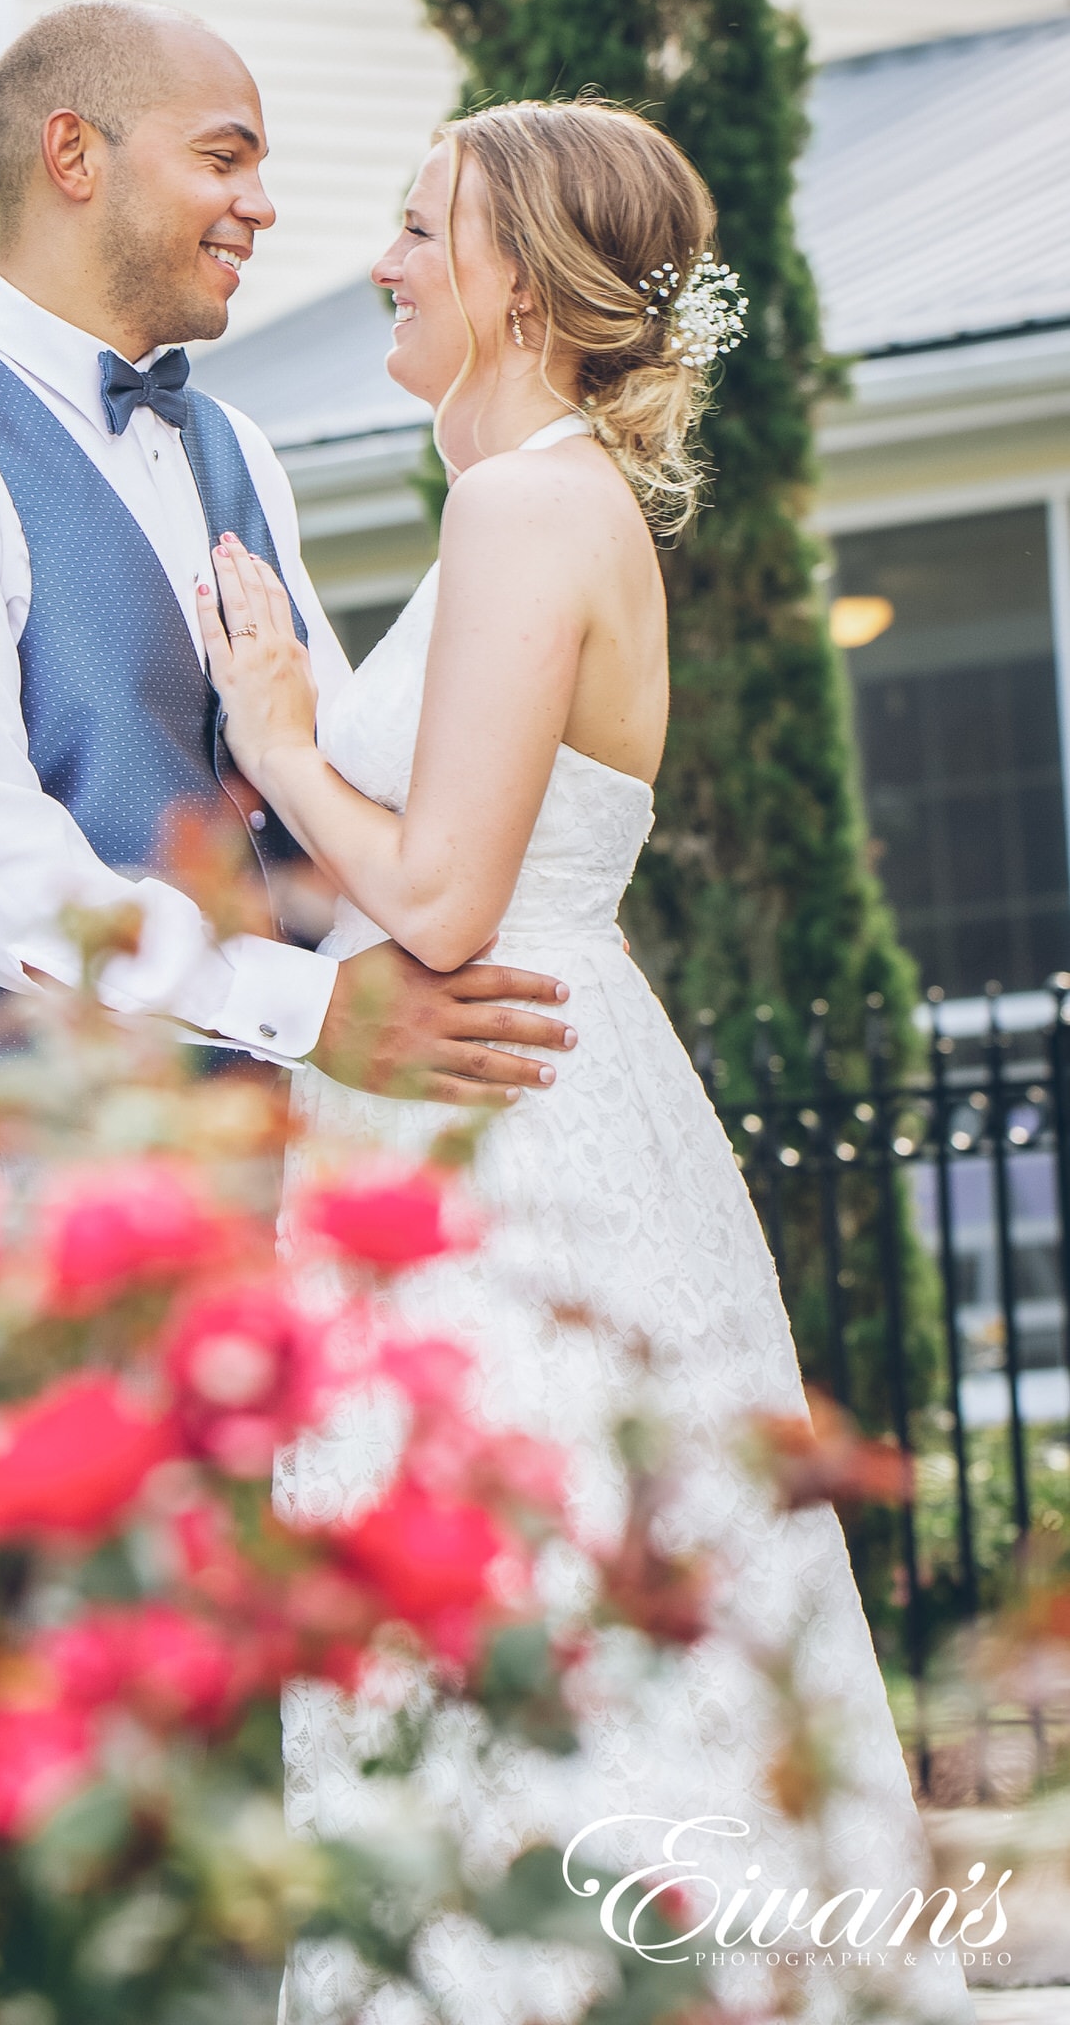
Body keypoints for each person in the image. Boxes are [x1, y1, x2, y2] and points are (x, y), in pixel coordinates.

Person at [197, 100, 973, 2024]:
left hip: (498, 1128)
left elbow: (444, 896)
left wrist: (283, 736)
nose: (376, 259)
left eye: (410, 227)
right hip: (493, 1099)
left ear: (518, 282)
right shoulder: (537, 502)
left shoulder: (528, 503)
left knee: (519, 1622)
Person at [0, 0, 574, 1114]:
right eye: (221, 158)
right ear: (72, 155)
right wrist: (307, 1008)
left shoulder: (233, 449)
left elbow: (317, 776)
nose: (261, 205)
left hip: (258, 1147)